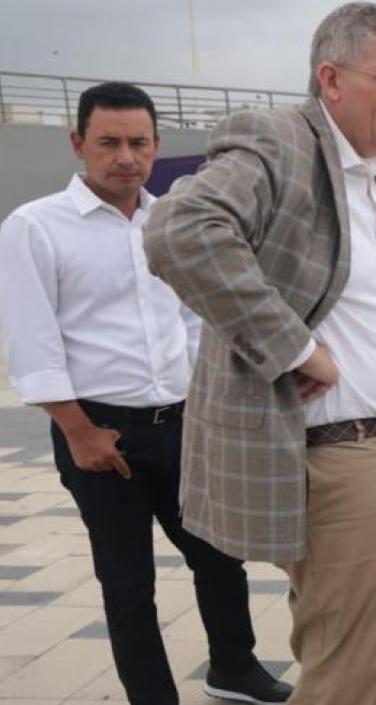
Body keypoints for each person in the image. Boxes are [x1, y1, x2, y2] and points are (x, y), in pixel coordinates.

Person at [143, 4, 376, 704]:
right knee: (349, 677)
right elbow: (183, 230)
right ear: (331, 78)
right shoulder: (281, 138)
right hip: (348, 461)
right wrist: (292, 347)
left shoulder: (372, 170)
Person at [0, 82, 291, 705]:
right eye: (109, 143)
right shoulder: (35, 227)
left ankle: (233, 668)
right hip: (103, 430)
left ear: (157, 146)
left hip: (186, 423)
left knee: (219, 556)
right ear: (79, 143)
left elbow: (194, 320)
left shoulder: (171, 221)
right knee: (128, 582)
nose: (125, 157)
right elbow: (33, 340)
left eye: (138, 142)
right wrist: (78, 432)